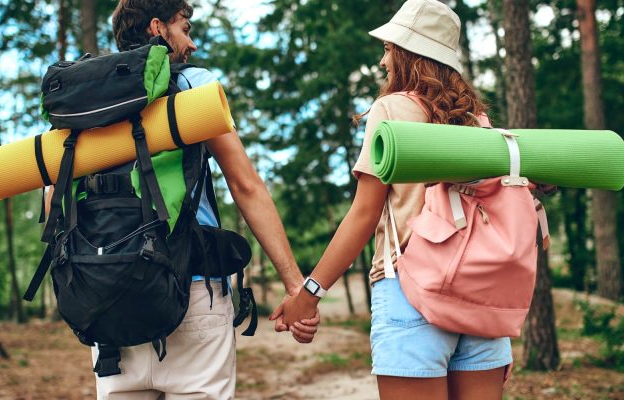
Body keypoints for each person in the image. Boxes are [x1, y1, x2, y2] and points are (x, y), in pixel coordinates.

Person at [80, 0, 319, 398]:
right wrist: (296, 286)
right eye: (185, 29)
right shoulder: (194, 85)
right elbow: (245, 185)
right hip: (191, 292)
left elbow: (55, 202)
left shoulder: (87, 99)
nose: (191, 45)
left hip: (110, 307)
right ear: (158, 28)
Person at [273, 0, 511, 399]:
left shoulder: (392, 109)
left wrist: (309, 294)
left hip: (411, 288)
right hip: (480, 295)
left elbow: (363, 215)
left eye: (388, 49)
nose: (383, 61)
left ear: (408, 54)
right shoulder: (479, 122)